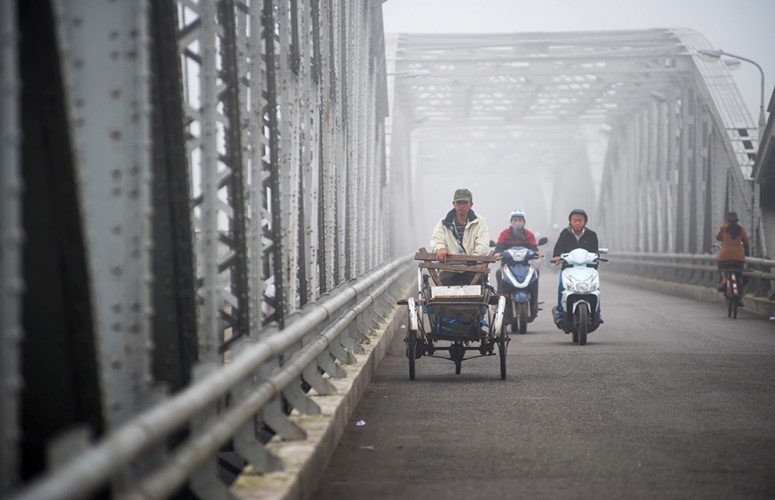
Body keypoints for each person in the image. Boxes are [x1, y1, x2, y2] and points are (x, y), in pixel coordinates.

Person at [430, 188, 492, 285]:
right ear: (454, 204)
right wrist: (440, 249)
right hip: (449, 269)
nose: (461, 206)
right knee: (444, 283)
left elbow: (483, 245)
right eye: (459, 203)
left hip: (473, 269)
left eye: (464, 203)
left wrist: (474, 258)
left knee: (478, 282)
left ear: (471, 204)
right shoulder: (443, 223)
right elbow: (437, 239)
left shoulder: (480, 223)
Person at [550, 208, 600, 326]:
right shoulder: (565, 233)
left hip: (587, 268)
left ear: (585, 222)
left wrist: (594, 263)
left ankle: (597, 312)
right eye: (575, 220)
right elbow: (558, 248)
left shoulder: (591, 235)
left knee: (595, 288)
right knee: (562, 288)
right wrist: (556, 256)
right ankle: (561, 313)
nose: (577, 222)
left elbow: (596, 252)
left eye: (580, 220)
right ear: (570, 221)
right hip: (568, 268)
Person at [493, 210, 542, 320]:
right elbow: (499, 247)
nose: (517, 222)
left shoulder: (529, 234)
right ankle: (500, 302)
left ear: (524, 222)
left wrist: (537, 253)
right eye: (515, 220)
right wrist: (497, 253)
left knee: (536, 273)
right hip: (507, 265)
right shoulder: (504, 234)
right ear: (511, 221)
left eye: (520, 220)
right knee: (498, 273)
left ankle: (534, 303)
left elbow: (534, 248)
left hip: (525, 265)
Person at [715, 211, 750, 306]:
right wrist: (747, 253)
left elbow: (718, 238)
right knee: (739, 277)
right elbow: (746, 243)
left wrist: (723, 225)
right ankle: (740, 299)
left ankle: (724, 280)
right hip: (738, 258)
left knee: (721, 269)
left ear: (727, 220)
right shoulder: (741, 229)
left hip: (724, 257)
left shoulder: (724, 228)